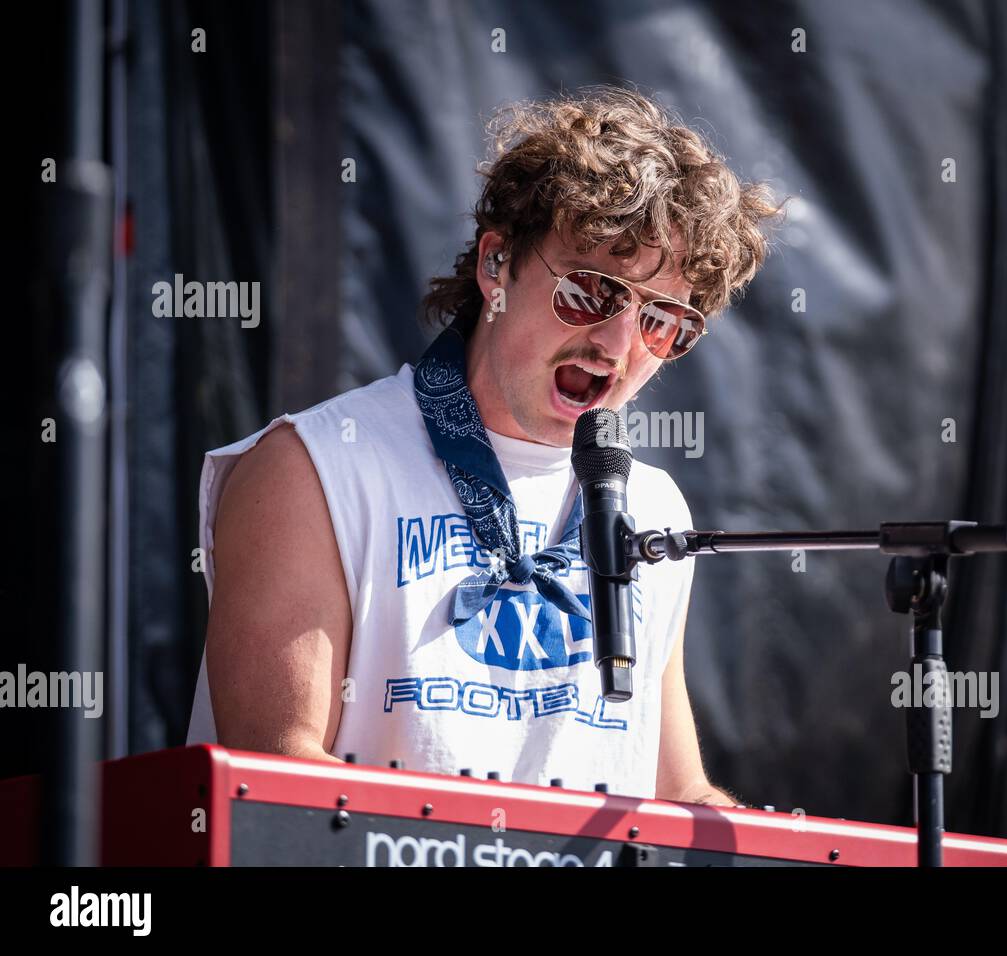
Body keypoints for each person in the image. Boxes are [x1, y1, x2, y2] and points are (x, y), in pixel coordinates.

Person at [186, 85, 782, 804]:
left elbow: (678, 792)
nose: (618, 343)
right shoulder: (311, 467)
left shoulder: (652, 507)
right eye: (592, 292)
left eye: (662, 321)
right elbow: (277, 786)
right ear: (496, 266)